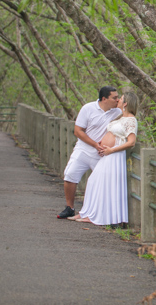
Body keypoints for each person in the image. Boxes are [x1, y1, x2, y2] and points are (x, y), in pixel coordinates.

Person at [69, 92, 138, 225]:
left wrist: (111, 149)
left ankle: (96, 215)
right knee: (94, 181)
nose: (118, 100)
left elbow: (131, 142)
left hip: (115, 155)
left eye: (121, 99)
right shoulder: (119, 117)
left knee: (103, 184)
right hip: (107, 154)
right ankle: (87, 213)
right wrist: (101, 145)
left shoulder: (131, 119)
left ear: (125, 103)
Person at [56, 86, 122, 219]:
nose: (117, 100)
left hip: (102, 154)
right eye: (114, 97)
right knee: (70, 174)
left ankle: (98, 212)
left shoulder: (117, 111)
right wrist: (94, 144)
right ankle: (70, 207)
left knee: (100, 182)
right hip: (84, 149)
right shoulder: (88, 108)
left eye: (118, 97)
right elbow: (78, 131)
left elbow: (130, 114)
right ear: (104, 99)